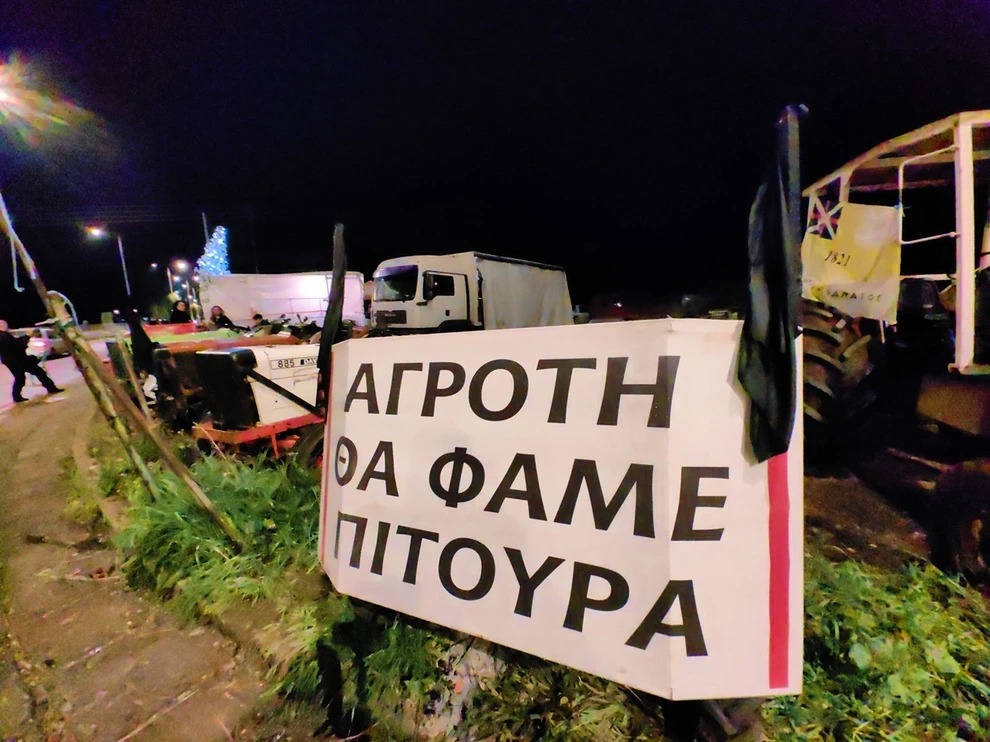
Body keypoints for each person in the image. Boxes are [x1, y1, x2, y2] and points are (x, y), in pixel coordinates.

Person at [0, 319, 63, 403]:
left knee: (20, 378)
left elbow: (15, 344)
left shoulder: (4, 335)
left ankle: (17, 397)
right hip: (18, 360)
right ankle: (51, 388)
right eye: (3, 324)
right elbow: (16, 345)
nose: (6, 326)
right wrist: (27, 336)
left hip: (13, 361)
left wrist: (26, 338)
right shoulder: (3, 336)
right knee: (38, 372)